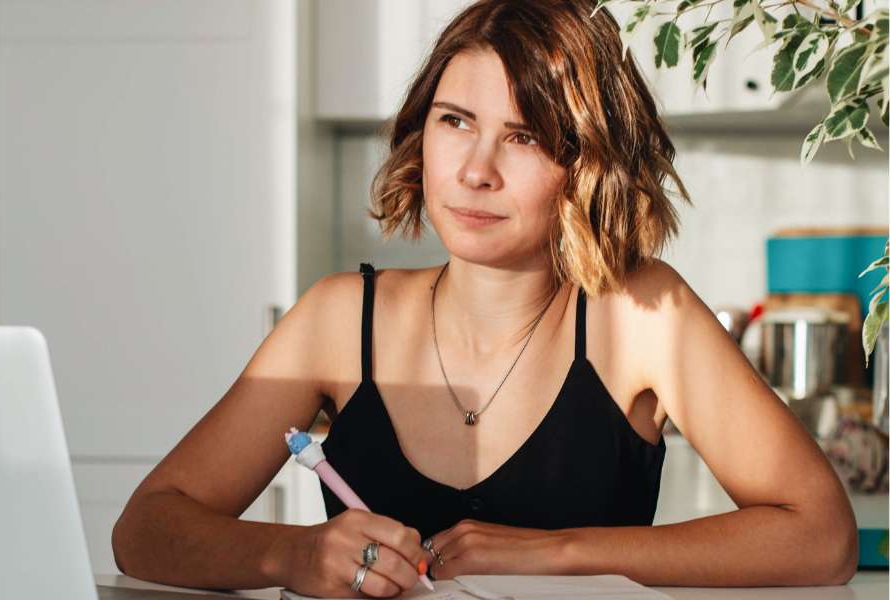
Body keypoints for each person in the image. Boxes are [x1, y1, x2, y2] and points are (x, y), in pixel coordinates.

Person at [111, 0, 859, 597]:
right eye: (455, 122)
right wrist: (295, 554)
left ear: (587, 163)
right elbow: (145, 527)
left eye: (524, 137)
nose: (475, 170)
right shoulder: (337, 319)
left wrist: (560, 554)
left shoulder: (639, 314)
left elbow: (822, 537)